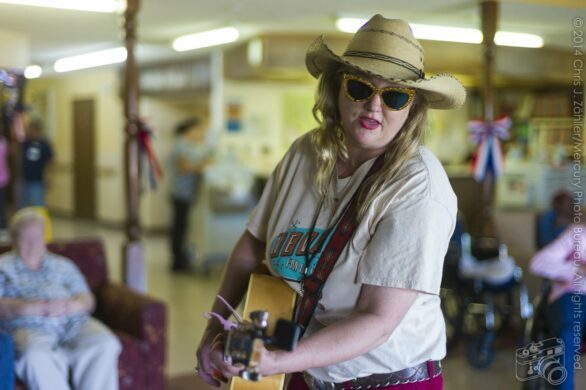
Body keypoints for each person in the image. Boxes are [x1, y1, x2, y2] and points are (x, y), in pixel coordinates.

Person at [196, 15, 465, 390]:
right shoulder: (305, 152)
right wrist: (214, 328)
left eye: (394, 95)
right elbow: (251, 246)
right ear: (336, 88)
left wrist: (280, 359)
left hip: (382, 380)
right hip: (301, 367)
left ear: (412, 108)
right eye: (360, 88)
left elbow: (377, 320)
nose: (374, 106)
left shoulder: (419, 186)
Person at [0, 207, 121, 390]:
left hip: (74, 322)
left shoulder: (62, 265)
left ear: (45, 239)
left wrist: (70, 306)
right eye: (26, 239)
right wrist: (25, 308)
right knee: (34, 356)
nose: (33, 245)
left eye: (38, 238)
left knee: (105, 343)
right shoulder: (4, 267)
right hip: (29, 327)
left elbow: (88, 300)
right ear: (15, 239)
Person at [530, 224, 586, 390]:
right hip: (571, 295)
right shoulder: (578, 234)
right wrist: (578, 269)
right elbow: (538, 263)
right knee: (567, 333)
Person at [169, 117, 209, 272]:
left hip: (187, 193)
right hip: (180, 192)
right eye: (198, 130)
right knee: (179, 227)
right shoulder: (181, 145)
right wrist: (201, 166)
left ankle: (182, 258)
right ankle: (177, 262)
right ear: (190, 130)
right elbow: (185, 167)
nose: (200, 133)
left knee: (183, 227)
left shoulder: (191, 146)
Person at [20, 118, 53, 208]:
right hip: (25, 181)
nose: (30, 132)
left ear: (38, 131)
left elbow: (49, 161)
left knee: (38, 206)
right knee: (24, 207)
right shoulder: (26, 143)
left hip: (37, 181)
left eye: (32, 130)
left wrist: (48, 176)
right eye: (29, 130)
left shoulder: (44, 144)